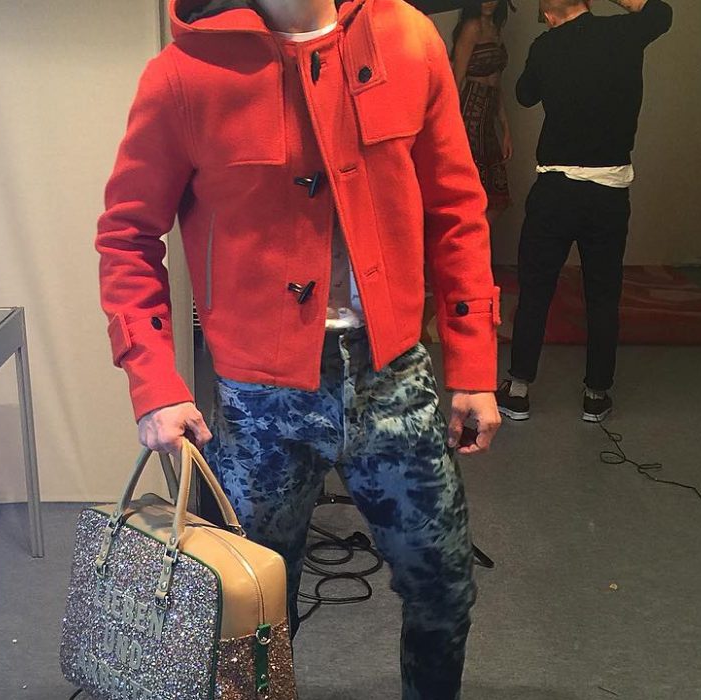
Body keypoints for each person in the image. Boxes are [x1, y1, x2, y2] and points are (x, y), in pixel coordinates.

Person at [95, 0, 503, 697]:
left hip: (393, 376)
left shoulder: (408, 39)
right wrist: (154, 381)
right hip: (259, 399)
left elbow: (456, 209)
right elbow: (128, 237)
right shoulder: (185, 73)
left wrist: (474, 364)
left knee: (443, 589)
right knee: (247, 610)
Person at [496, 0, 672, 422]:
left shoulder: (545, 47)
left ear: (546, 11)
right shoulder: (623, 33)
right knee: (603, 294)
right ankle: (596, 394)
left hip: (555, 192)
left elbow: (524, 94)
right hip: (608, 193)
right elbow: (661, 13)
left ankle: (518, 389)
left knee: (536, 289)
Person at [451, 0, 516, 221]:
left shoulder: (496, 30)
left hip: (488, 116)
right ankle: (472, 241)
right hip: (470, 113)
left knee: (497, 195)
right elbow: (456, 80)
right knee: (474, 193)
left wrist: (506, 130)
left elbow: (497, 85)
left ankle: (476, 241)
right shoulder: (472, 27)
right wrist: (449, 128)